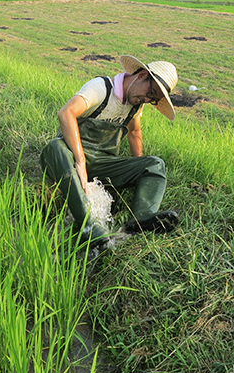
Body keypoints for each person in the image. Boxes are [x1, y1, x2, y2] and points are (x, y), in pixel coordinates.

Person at [40, 55, 180, 246]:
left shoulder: (135, 104)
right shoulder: (101, 88)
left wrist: (137, 166)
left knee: (155, 164)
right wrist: (80, 161)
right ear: (142, 75)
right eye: (150, 92)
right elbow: (66, 113)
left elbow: (135, 132)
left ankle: (142, 217)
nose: (146, 99)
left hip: (102, 163)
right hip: (68, 158)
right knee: (55, 147)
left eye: (152, 99)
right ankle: (89, 226)